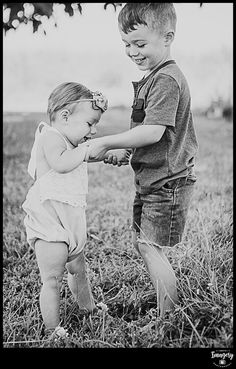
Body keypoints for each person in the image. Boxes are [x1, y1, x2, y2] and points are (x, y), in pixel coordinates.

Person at [87, 3, 198, 317]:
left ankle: (169, 317)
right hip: (153, 179)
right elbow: (147, 135)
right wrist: (126, 152)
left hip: (167, 182)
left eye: (139, 44)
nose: (132, 52)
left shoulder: (166, 79)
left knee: (150, 246)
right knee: (144, 244)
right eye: (126, 44)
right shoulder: (154, 76)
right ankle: (165, 305)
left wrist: (106, 140)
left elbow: (152, 132)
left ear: (167, 37)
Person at [22, 82, 129, 338]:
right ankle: (52, 329)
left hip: (70, 220)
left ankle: (88, 308)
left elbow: (88, 155)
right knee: (52, 278)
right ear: (66, 116)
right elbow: (60, 164)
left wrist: (107, 154)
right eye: (90, 124)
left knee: (78, 270)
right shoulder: (50, 136)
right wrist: (87, 150)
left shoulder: (72, 143)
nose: (94, 130)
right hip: (50, 223)